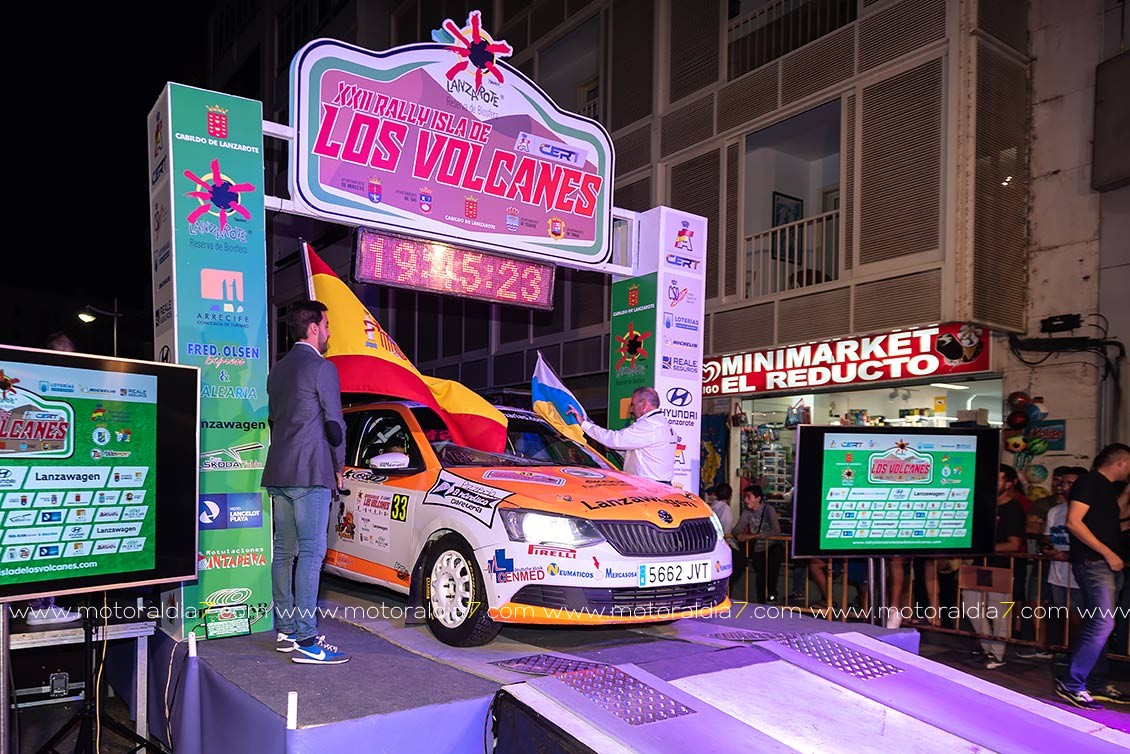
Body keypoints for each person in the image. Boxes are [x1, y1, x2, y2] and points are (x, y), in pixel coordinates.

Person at [262, 301, 349, 665]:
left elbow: (274, 419)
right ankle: (307, 640)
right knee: (311, 554)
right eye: (326, 325)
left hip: (279, 471)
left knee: (284, 551)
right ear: (313, 328)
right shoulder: (322, 367)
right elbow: (334, 425)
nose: (329, 332)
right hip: (311, 472)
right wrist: (339, 465)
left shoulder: (277, 371)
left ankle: (285, 631)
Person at [1056, 443, 1130, 709]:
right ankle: (1072, 683)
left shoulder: (1106, 488)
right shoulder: (1088, 482)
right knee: (1102, 623)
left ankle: (1095, 682)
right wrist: (1108, 553)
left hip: (1105, 564)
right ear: (1121, 462)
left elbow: (1114, 517)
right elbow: (1073, 522)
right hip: (1094, 562)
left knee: (1099, 623)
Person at [21, 333, 82, 625]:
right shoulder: (30, 381)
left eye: (71, 353)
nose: (68, 359)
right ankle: (38, 607)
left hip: (55, 479)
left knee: (50, 542)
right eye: (62, 352)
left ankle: (42, 604)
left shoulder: (74, 386)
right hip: (29, 480)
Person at [962, 464, 1025, 669]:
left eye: (998, 479)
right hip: (979, 564)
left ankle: (997, 654)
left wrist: (983, 548)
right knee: (971, 607)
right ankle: (987, 648)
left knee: (998, 613)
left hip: (1001, 566)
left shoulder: (1013, 508)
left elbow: (1014, 544)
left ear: (1009, 483)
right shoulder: (984, 505)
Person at [566, 387, 677, 484]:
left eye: (633, 405)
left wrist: (584, 424)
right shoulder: (661, 423)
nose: (631, 410)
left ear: (644, 404)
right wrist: (615, 449)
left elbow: (615, 440)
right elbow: (642, 453)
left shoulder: (650, 425)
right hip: (659, 485)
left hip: (649, 486)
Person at [1029, 466, 1085, 659]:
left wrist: (1069, 554)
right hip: (1058, 574)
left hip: (1080, 574)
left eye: (1070, 483)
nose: (1064, 487)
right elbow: (1049, 537)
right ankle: (1067, 653)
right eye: (1062, 483)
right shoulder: (1055, 511)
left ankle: (1079, 657)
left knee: (1079, 619)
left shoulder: (1090, 512)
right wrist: (1048, 548)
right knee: (1064, 617)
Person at [733, 485, 783, 603]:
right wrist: (739, 535)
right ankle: (762, 601)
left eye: (748, 497)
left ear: (758, 498)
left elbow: (776, 530)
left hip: (772, 546)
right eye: (745, 497)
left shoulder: (768, 510)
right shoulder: (746, 513)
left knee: (772, 572)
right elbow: (737, 529)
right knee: (761, 574)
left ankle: (772, 596)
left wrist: (753, 536)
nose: (746, 500)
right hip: (758, 548)